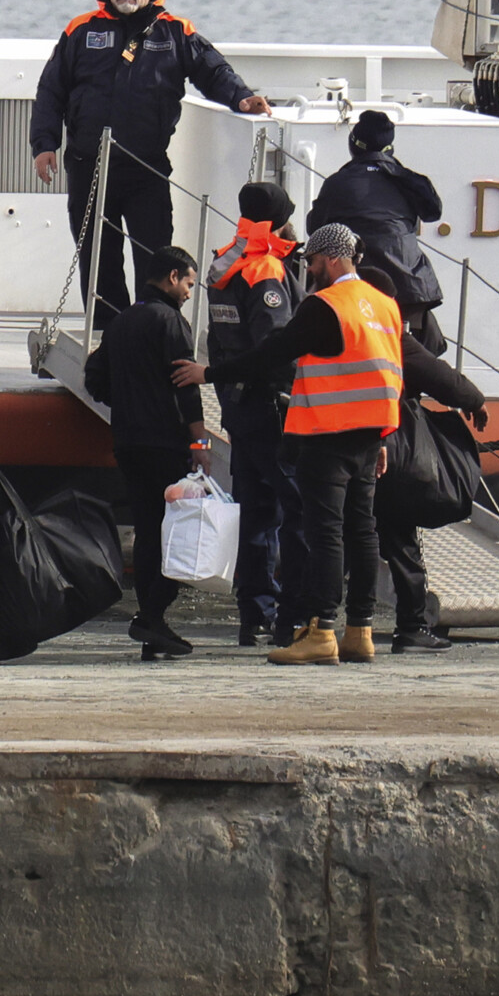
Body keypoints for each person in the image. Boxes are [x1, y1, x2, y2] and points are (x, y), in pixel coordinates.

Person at [187, 224, 400, 667]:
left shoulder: (324, 306)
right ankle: (360, 631)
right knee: (363, 531)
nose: (309, 269)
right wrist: (388, 435)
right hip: (371, 434)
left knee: (325, 533)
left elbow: (274, 351)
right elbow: (397, 369)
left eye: (314, 261)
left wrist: (210, 374)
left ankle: (321, 630)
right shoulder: (384, 306)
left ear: (333, 258)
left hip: (327, 433)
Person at [29, 0, 270, 327]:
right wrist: (44, 145)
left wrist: (241, 97)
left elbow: (213, 71)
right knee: (98, 257)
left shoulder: (176, 31)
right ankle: (110, 334)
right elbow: (50, 91)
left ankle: (156, 330)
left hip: (146, 168)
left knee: (155, 257)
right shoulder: (81, 30)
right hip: (88, 166)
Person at [84, 246, 208, 662]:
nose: (191, 292)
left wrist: (126, 397)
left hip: (128, 440)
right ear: (173, 277)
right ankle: (153, 615)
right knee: (171, 530)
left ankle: (152, 618)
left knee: (147, 526)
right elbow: (185, 384)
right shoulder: (172, 321)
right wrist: (198, 441)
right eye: (190, 282)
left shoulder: (121, 322)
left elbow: (94, 378)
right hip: (165, 441)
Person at [357, 264, 489, 654]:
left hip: (326, 445)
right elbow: (437, 375)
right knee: (397, 538)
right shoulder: (388, 336)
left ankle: (314, 623)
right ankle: (411, 627)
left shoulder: (329, 326)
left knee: (329, 536)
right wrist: (475, 401)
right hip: (382, 450)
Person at [206, 182, 305, 648]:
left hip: (239, 406)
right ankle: (295, 614)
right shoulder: (265, 268)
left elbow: (216, 337)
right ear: (280, 219)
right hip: (272, 407)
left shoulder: (227, 261)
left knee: (255, 512)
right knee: (296, 509)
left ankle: (255, 614)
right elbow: (278, 344)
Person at [307, 110, 446, 346]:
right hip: (408, 287)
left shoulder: (337, 183)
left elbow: (316, 228)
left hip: (354, 287)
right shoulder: (408, 180)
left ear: (355, 144)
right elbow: (433, 212)